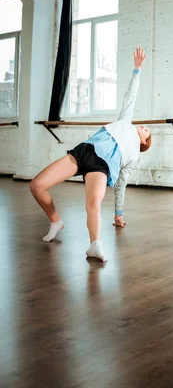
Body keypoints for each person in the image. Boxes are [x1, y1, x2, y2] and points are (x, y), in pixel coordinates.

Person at [30, 48, 151, 262]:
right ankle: (56, 220)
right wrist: (137, 69)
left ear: (143, 142)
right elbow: (130, 96)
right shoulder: (125, 122)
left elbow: (122, 183)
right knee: (37, 185)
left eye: (147, 131)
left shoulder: (134, 154)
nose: (144, 127)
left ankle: (95, 245)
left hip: (100, 167)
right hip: (83, 151)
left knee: (93, 203)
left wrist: (119, 213)